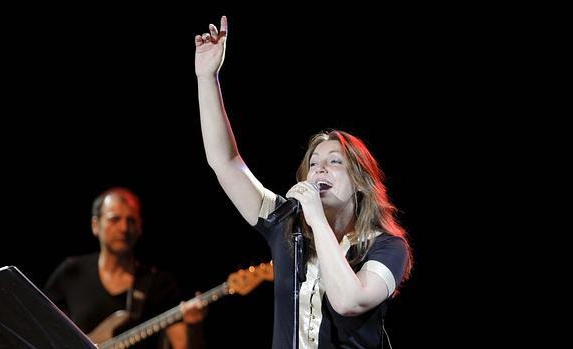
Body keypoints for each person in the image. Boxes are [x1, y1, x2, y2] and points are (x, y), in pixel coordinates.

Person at [194, 16, 413, 348]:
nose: (320, 169)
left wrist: (314, 215)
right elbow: (225, 163)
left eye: (333, 162)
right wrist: (206, 78)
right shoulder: (287, 225)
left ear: (359, 182)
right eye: (313, 164)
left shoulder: (387, 247)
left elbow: (349, 301)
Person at [44, 187, 206, 349]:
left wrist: (194, 326)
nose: (124, 228)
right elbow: (40, 325)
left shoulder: (158, 284)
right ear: (95, 225)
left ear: (140, 227)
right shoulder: (71, 272)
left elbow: (184, 346)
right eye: (114, 219)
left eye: (131, 220)